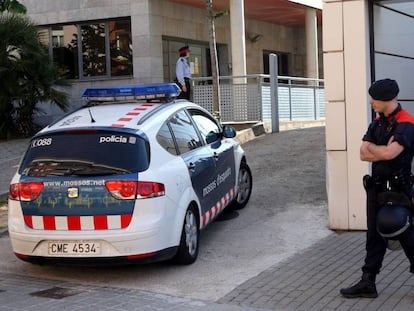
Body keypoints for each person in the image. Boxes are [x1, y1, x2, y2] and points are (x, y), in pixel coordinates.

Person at [340, 78, 414, 298]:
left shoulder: (406, 123)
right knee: (374, 236)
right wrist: (379, 149)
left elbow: (390, 154)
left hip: (398, 189)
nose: (371, 101)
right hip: (376, 189)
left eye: (374, 98)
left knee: (401, 231)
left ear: (385, 99)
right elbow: (363, 153)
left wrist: (376, 150)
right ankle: (367, 282)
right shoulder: (378, 121)